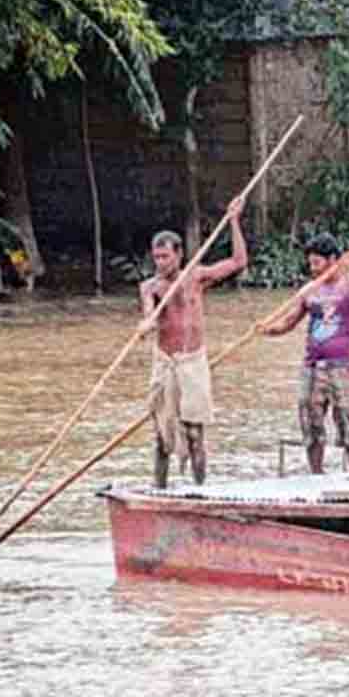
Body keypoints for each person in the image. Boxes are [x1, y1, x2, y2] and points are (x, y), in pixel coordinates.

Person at [138, 195, 249, 488]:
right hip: (165, 364)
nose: (160, 263)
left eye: (166, 257)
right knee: (162, 437)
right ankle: (158, 491)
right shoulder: (150, 287)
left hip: (192, 362)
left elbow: (239, 262)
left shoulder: (196, 277)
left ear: (179, 255)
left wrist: (234, 221)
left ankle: (201, 490)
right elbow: (149, 313)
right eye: (157, 257)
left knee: (195, 434)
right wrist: (146, 322)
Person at [258, 232, 349, 473]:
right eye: (310, 263)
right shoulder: (309, 290)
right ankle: (316, 475)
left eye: (317, 263)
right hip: (312, 367)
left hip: (341, 366)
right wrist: (266, 330)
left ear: (332, 260)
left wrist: (347, 274)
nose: (313, 268)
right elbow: (289, 322)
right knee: (311, 426)